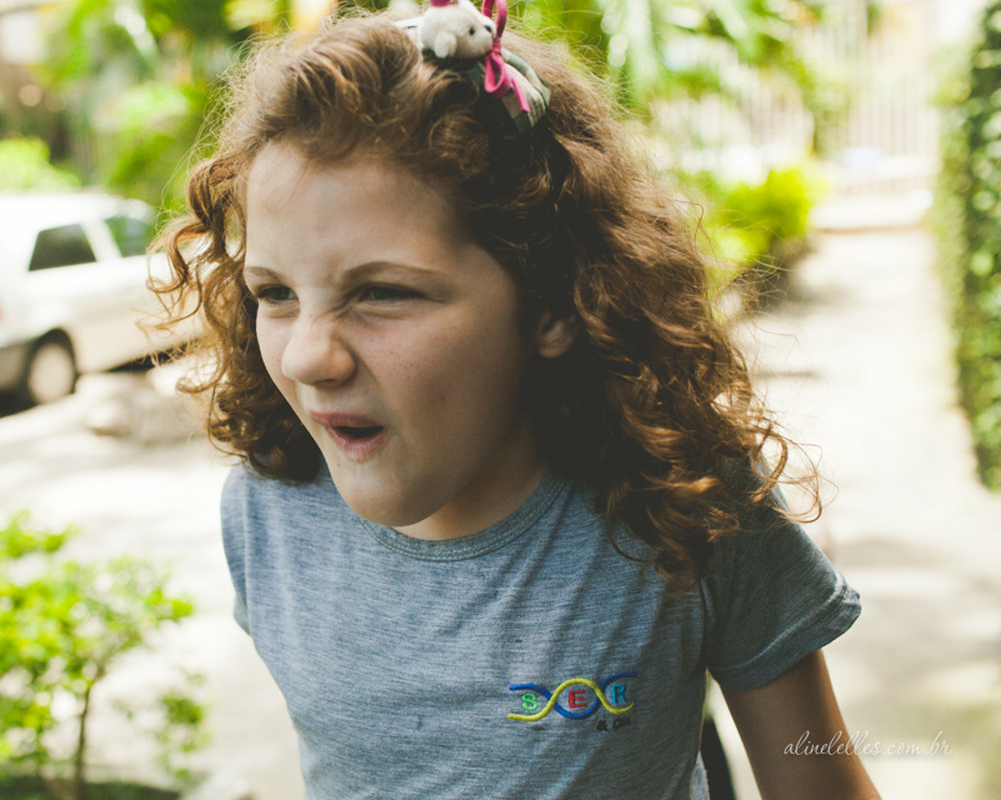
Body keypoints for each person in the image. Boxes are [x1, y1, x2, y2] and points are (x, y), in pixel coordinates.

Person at [154, 3, 881, 798]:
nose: (306, 355)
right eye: (274, 292)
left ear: (552, 304)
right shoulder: (266, 514)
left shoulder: (686, 497)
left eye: (383, 293)